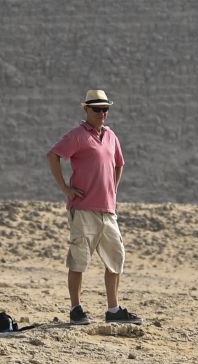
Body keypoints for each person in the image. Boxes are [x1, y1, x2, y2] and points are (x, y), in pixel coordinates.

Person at [46, 88, 139, 324]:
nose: (102, 113)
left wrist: (113, 190)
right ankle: (76, 309)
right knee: (79, 259)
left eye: (105, 109)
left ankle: (113, 309)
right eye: (97, 109)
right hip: (84, 208)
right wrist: (65, 189)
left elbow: (119, 163)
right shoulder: (78, 135)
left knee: (116, 258)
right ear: (86, 109)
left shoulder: (111, 136)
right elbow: (53, 155)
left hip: (107, 210)